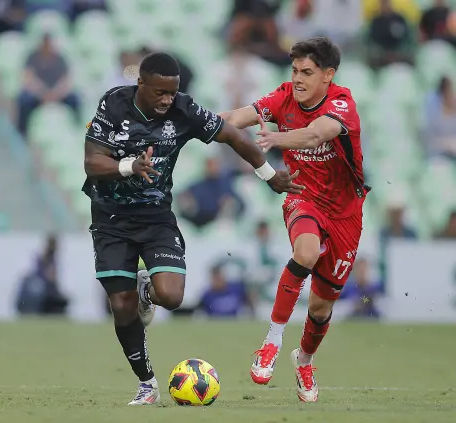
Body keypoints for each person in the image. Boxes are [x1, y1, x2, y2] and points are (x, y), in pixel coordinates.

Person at [83, 52, 304, 406]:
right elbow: (91, 162)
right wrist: (128, 166)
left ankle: (146, 290)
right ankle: (147, 384)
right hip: (110, 217)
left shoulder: (183, 110)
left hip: (155, 215)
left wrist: (268, 176)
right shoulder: (113, 103)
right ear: (141, 84)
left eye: (172, 93)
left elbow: (234, 136)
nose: (167, 100)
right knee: (120, 306)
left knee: (171, 296)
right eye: (160, 93)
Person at [219, 37, 370, 402]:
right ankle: (270, 342)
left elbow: (318, 133)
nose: (298, 79)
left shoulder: (342, 104)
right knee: (305, 252)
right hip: (302, 198)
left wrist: (278, 137)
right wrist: (198, 124)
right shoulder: (284, 96)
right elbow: (238, 117)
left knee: (321, 308)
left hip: (346, 214)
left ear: (328, 75)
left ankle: (303, 359)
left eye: (307, 72)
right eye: (295, 71)